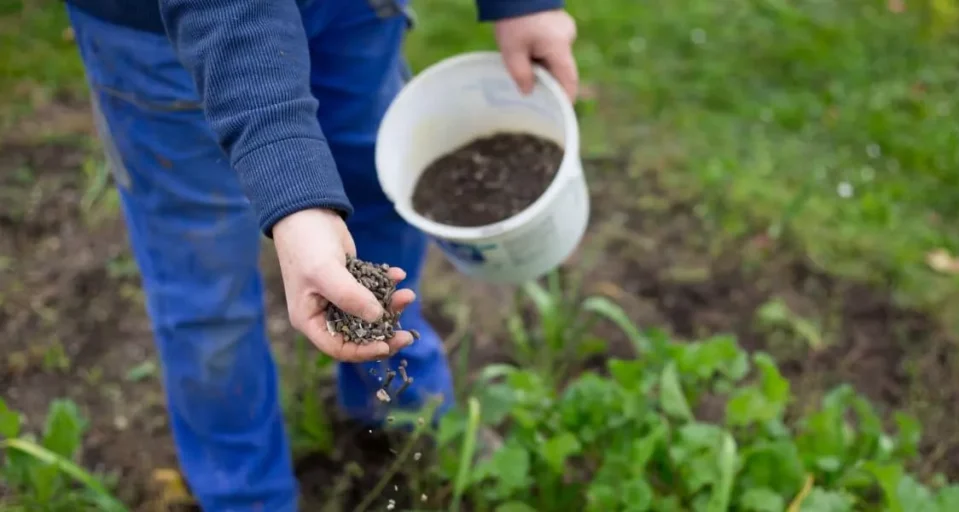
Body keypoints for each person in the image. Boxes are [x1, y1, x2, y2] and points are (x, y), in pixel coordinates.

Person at [62, 0, 579, 509]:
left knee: (379, 192)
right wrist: (295, 192)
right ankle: (245, 494)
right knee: (206, 286)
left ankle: (396, 401)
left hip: (349, 11)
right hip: (172, 30)